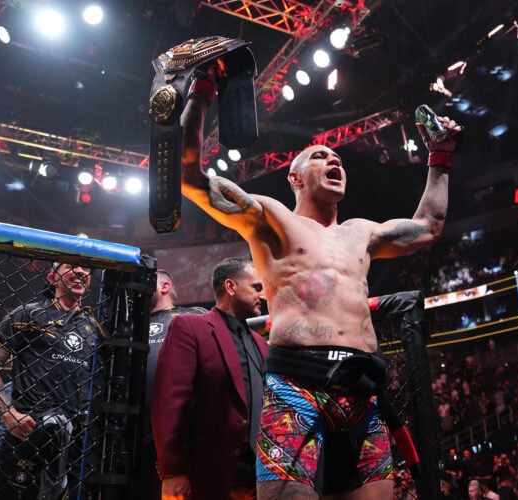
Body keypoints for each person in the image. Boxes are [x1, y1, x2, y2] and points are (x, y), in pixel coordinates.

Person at [178, 63, 460, 499]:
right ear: (294, 177)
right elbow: (192, 180)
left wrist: (440, 157)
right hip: (297, 386)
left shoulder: (362, 231)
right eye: (320, 157)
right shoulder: (271, 218)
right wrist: (199, 95)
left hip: (364, 392)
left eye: (338, 159)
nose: (334, 161)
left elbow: (428, 227)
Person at [0, 262, 100, 499]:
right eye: (71, 267)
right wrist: (9, 415)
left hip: (75, 440)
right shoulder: (28, 314)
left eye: (86, 269)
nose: (81, 271)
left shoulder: (94, 326)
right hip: (28, 430)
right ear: (52, 277)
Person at [151, 257, 268, 500]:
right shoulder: (190, 326)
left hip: (257, 478)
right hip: (206, 475)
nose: (263, 295)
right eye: (256, 287)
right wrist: (173, 472)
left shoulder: (259, 342)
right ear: (231, 287)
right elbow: (169, 402)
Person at [139, 269, 205, 496]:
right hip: (137, 436)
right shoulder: (130, 326)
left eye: (145, 284)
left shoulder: (194, 316)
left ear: (164, 287)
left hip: (184, 433)